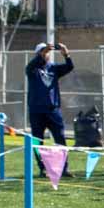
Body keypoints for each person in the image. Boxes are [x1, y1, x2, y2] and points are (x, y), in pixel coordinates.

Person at [25, 42, 74, 178]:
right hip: (36, 111)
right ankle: (43, 168)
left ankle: (64, 168)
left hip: (53, 110)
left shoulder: (53, 68)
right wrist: (42, 52)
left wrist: (66, 54)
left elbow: (69, 67)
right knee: (37, 141)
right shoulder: (32, 68)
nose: (46, 54)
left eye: (47, 52)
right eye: (42, 52)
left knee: (60, 139)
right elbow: (32, 65)